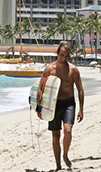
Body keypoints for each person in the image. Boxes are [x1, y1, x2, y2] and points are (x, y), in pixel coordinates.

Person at [37, 42, 84, 171]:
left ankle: (65, 154)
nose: (64, 58)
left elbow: (80, 89)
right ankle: (58, 165)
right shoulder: (50, 69)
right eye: (62, 55)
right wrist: (39, 107)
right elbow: (40, 88)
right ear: (57, 54)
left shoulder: (73, 70)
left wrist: (81, 109)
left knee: (68, 130)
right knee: (55, 135)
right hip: (53, 104)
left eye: (67, 56)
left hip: (69, 103)